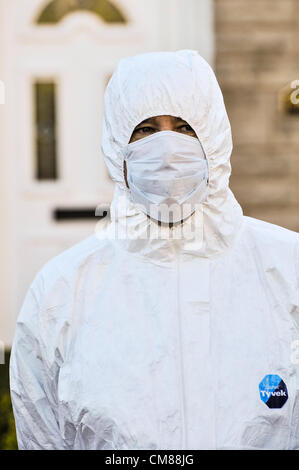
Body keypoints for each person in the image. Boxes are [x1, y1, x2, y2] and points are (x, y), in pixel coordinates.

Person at [9, 50, 299, 450]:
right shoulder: (62, 293)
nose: (166, 148)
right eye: (145, 130)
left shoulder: (287, 270)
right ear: (117, 147)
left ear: (214, 138)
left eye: (184, 127)